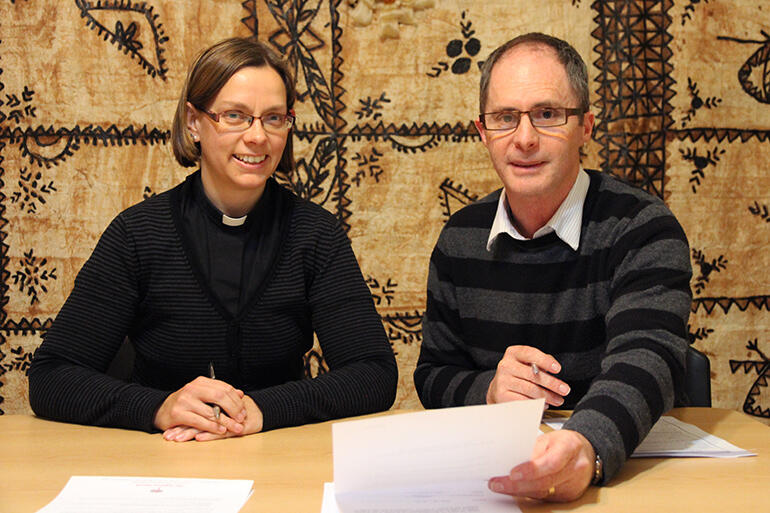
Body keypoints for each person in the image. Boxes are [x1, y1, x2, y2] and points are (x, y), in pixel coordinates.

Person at [29, 37, 397, 442]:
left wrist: (263, 410)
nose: (258, 136)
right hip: (162, 465)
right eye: (236, 116)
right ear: (193, 122)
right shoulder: (137, 234)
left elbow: (374, 374)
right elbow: (51, 377)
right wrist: (159, 407)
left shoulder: (315, 235)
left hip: (277, 457)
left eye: (273, 118)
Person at [414, 33, 692, 502]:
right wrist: (489, 390)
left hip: (618, 480)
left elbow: (648, 358)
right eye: (505, 118)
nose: (524, 139)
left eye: (547, 115)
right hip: (495, 485)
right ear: (483, 132)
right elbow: (434, 373)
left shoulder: (643, 227)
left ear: (585, 126)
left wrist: (583, 447)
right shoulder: (459, 239)